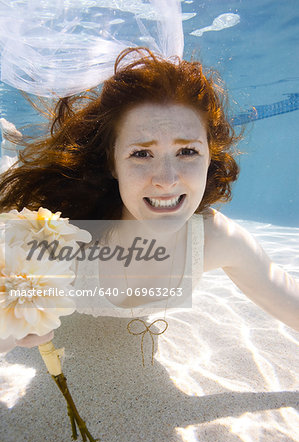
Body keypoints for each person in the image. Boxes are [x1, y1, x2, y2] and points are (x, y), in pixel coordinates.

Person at [0, 47, 298, 354]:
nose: (167, 180)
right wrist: (12, 327)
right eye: (141, 154)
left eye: (187, 151)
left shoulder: (217, 241)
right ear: (112, 163)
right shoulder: (59, 241)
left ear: (210, 157)